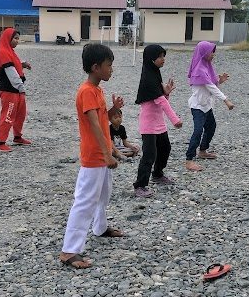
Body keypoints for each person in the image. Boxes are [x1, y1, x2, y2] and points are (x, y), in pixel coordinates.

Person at [59, 44, 125, 269]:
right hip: (95, 155)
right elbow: (94, 126)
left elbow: (100, 119)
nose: (111, 70)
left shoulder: (97, 90)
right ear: (96, 67)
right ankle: (70, 250)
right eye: (109, 65)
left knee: (103, 195)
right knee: (85, 201)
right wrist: (108, 154)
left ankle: (100, 227)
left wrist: (112, 109)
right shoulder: (87, 91)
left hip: (102, 154)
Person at [133, 44, 182, 198]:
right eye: (160, 56)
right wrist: (175, 120)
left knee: (165, 148)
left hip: (158, 122)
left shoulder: (155, 74)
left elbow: (159, 98)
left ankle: (158, 174)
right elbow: (160, 101)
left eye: (163, 56)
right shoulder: (148, 77)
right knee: (149, 155)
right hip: (148, 124)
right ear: (151, 58)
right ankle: (140, 185)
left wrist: (166, 92)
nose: (163, 59)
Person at [185, 41, 234, 171]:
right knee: (198, 131)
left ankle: (202, 151)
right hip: (198, 107)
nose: (213, 55)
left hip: (206, 105)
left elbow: (210, 86)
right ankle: (189, 159)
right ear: (204, 52)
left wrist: (219, 81)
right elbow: (210, 87)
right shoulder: (199, 69)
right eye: (211, 52)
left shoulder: (206, 66)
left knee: (211, 127)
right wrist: (226, 100)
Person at [0, 28, 32, 152]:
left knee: (20, 114)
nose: (17, 41)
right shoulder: (3, 52)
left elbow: (14, 63)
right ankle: (1, 142)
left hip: (17, 90)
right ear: (8, 38)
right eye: (15, 38)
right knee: (8, 115)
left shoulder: (9, 51)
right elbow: (11, 73)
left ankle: (17, 137)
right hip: (9, 90)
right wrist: (21, 88)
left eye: (18, 38)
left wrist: (23, 64)